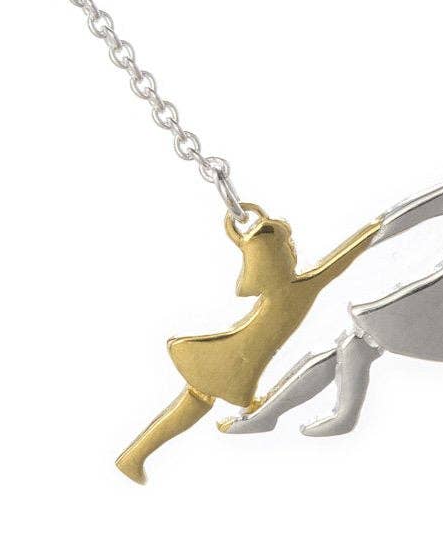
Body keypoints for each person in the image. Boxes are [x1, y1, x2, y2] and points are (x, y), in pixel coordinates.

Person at [221, 73, 443, 437]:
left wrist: (364, 241)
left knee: (356, 345)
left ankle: (327, 416)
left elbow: (408, 216)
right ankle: (275, 416)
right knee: (355, 345)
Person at [115, 204, 379, 483]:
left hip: (237, 354)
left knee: (195, 402)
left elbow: (336, 263)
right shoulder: (300, 289)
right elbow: (338, 263)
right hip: (237, 358)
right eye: (288, 246)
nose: (294, 250)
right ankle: (135, 457)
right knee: (196, 401)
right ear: (278, 258)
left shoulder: (286, 290)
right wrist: (374, 230)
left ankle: (135, 456)